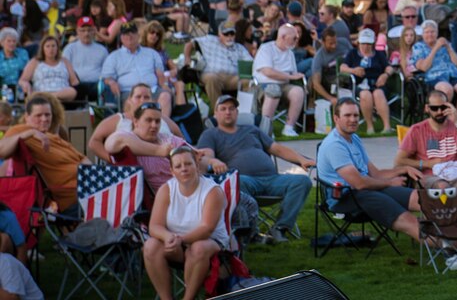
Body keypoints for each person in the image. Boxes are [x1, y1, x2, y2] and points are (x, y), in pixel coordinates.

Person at [198, 94, 315, 242]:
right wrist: (214, 161)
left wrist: (301, 159)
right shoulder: (211, 134)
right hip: (245, 181)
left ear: (237, 112)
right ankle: (253, 233)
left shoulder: (251, 129)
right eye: (223, 109)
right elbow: (205, 156)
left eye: (232, 108)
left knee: (302, 182)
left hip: (272, 179)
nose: (228, 112)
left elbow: (277, 149)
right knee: (238, 182)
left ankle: (280, 228)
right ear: (215, 114)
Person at [316, 98, 425, 243]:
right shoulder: (334, 145)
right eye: (347, 115)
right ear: (336, 118)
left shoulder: (354, 138)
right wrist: (390, 183)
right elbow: (359, 183)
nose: (353, 119)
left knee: (423, 200)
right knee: (410, 221)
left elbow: (376, 174)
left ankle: (453, 233)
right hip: (345, 197)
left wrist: (404, 169)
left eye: (356, 115)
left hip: (366, 190)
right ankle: (452, 249)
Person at [142, 146, 229, 300]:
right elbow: (155, 226)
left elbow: (206, 229)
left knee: (198, 248)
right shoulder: (166, 190)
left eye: (188, 164)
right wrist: (168, 237)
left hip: (210, 243)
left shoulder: (212, 191)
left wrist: (180, 240)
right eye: (178, 166)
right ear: (171, 170)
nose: (184, 169)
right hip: (176, 244)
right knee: (150, 246)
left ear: (196, 165)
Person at [394, 90, 457, 230]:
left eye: (442, 107)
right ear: (427, 108)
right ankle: (448, 235)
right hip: (429, 176)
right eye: (434, 108)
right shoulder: (417, 130)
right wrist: (426, 163)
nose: (439, 111)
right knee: (443, 188)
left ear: (449, 107)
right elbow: (399, 161)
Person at [0, 95, 90, 214]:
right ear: (27, 117)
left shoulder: (51, 136)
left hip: (88, 185)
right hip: (70, 196)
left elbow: (82, 158)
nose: (44, 119)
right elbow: (2, 151)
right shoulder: (20, 131)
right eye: (38, 115)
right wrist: (31, 132)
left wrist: (92, 172)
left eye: (48, 115)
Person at [105, 102, 219, 193]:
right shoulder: (128, 138)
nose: (154, 125)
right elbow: (112, 143)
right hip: (165, 198)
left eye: (157, 121)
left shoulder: (167, 139)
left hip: (192, 189)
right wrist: (158, 151)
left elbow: (197, 156)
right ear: (136, 121)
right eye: (149, 120)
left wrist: (212, 162)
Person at [88, 82, 183, 162]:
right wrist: (112, 160)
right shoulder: (118, 119)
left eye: (146, 97)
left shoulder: (163, 119)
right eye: (138, 97)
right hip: (133, 168)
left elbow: (180, 139)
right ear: (129, 100)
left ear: (152, 100)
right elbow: (94, 142)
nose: (142, 100)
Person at [100, 21, 173, 115]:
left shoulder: (151, 53)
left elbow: (160, 74)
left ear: (138, 35)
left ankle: (162, 127)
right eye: (126, 34)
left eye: (132, 33)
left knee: (165, 96)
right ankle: (139, 128)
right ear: (121, 38)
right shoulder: (113, 57)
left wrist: (164, 85)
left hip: (152, 90)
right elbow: (107, 77)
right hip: (129, 92)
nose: (130, 37)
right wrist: (111, 82)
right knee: (136, 101)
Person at [411, 20, 457, 119]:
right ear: (422, 34)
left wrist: (448, 48)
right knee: (446, 90)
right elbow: (424, 67)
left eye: (432, 32)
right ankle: (442, 118)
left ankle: (455, 117)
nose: (430, 34)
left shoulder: (446, 44)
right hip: (434, 77)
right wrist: (435, 48)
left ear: (437, 33)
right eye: (427, 32)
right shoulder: (418, 47)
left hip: (452, 74)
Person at [252, 25, 306, 137]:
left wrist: (297, 76)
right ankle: (266, 128)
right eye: (294, 38)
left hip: (284, 85)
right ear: (283, 36)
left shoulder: (290, 53)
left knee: (298, 91)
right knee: (274, 90)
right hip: (264, 85)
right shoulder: (266, 48)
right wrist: (290, 77)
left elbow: (293, 73)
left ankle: (289, 127)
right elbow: (268, 72)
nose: (296, 40)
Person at [183, 22, 253, 106]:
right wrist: (187, 58)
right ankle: (219, 110)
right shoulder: (210, 40)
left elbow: (250, 63)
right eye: (226, 34)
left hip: (232, 78)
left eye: (232, 33)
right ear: (219, 34)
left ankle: (243, 111)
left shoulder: (239, 48)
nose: (229, 37)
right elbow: (189, 44)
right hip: (212, 74)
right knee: (212, 78)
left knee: (249, 81)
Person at [340, 29, 395, 135]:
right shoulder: (352, 54)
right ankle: (370, 127)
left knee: (378, 93)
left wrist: (385, 75)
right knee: (365, 95)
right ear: (359, 43)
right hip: (359, 84)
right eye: (363, 43)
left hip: (377, 83)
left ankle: (387, 126)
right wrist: (354, 70)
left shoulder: (379, 54)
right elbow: (343, 67)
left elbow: (389, 67)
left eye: (368, 44)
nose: (365, 46)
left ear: (373, 43)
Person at [18, 35, 79, 102]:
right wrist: (26, 85)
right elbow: (22, 80)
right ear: (43, 48)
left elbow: (75, 82)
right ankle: (52, 98)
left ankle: (51, 97)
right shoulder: (35, 61)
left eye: (53, 46)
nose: (51, 49)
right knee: (36, 95)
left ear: (57, 48)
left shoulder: (65, 61)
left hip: (62, 94)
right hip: (41, 92)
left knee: (72, 91)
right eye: (48, 46)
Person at [62, 16, 109, 101]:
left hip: (96, 84)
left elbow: (107, 70)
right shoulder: (70, 49)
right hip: (76, 84)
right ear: (77, 31)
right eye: (82, 30)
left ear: (94, 31)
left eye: (89, 30)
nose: (86, 34)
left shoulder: (102, 50)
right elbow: (64, 68)